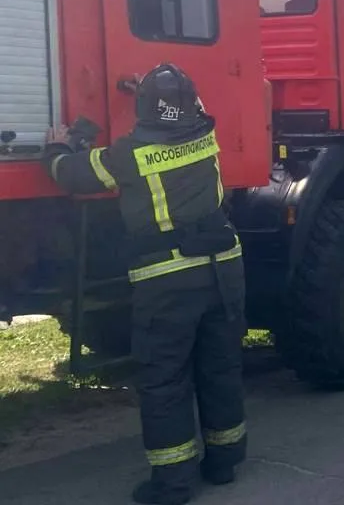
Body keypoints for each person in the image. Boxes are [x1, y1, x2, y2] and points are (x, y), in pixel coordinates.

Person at [43, 63, 247, 505]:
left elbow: (72, 175)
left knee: (165, 380)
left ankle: (173, 484)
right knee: (220, 366)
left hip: (169, 277)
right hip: (225, 267)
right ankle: (224, 461)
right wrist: (162, 95)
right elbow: (192, 107)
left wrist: (56, 147)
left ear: (143, 109)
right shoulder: (203, 133)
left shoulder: (128, 155)